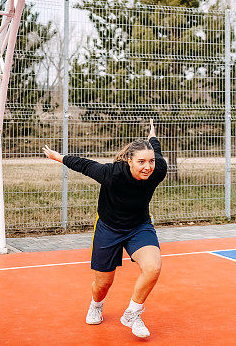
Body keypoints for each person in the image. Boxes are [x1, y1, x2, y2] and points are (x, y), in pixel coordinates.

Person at [42, 119, 167, 339]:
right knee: (103, 283)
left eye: (150, 161)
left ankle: (133, 314)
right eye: (141, 162)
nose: (148, 166)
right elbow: (84, 165)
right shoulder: (112, 174)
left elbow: (155, 148)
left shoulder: (158, 170)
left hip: (139, 226)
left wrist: (152, 136)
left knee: (153, 267)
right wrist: (57, 157)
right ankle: (96, 305)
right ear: (129, 160)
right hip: (109, 228)